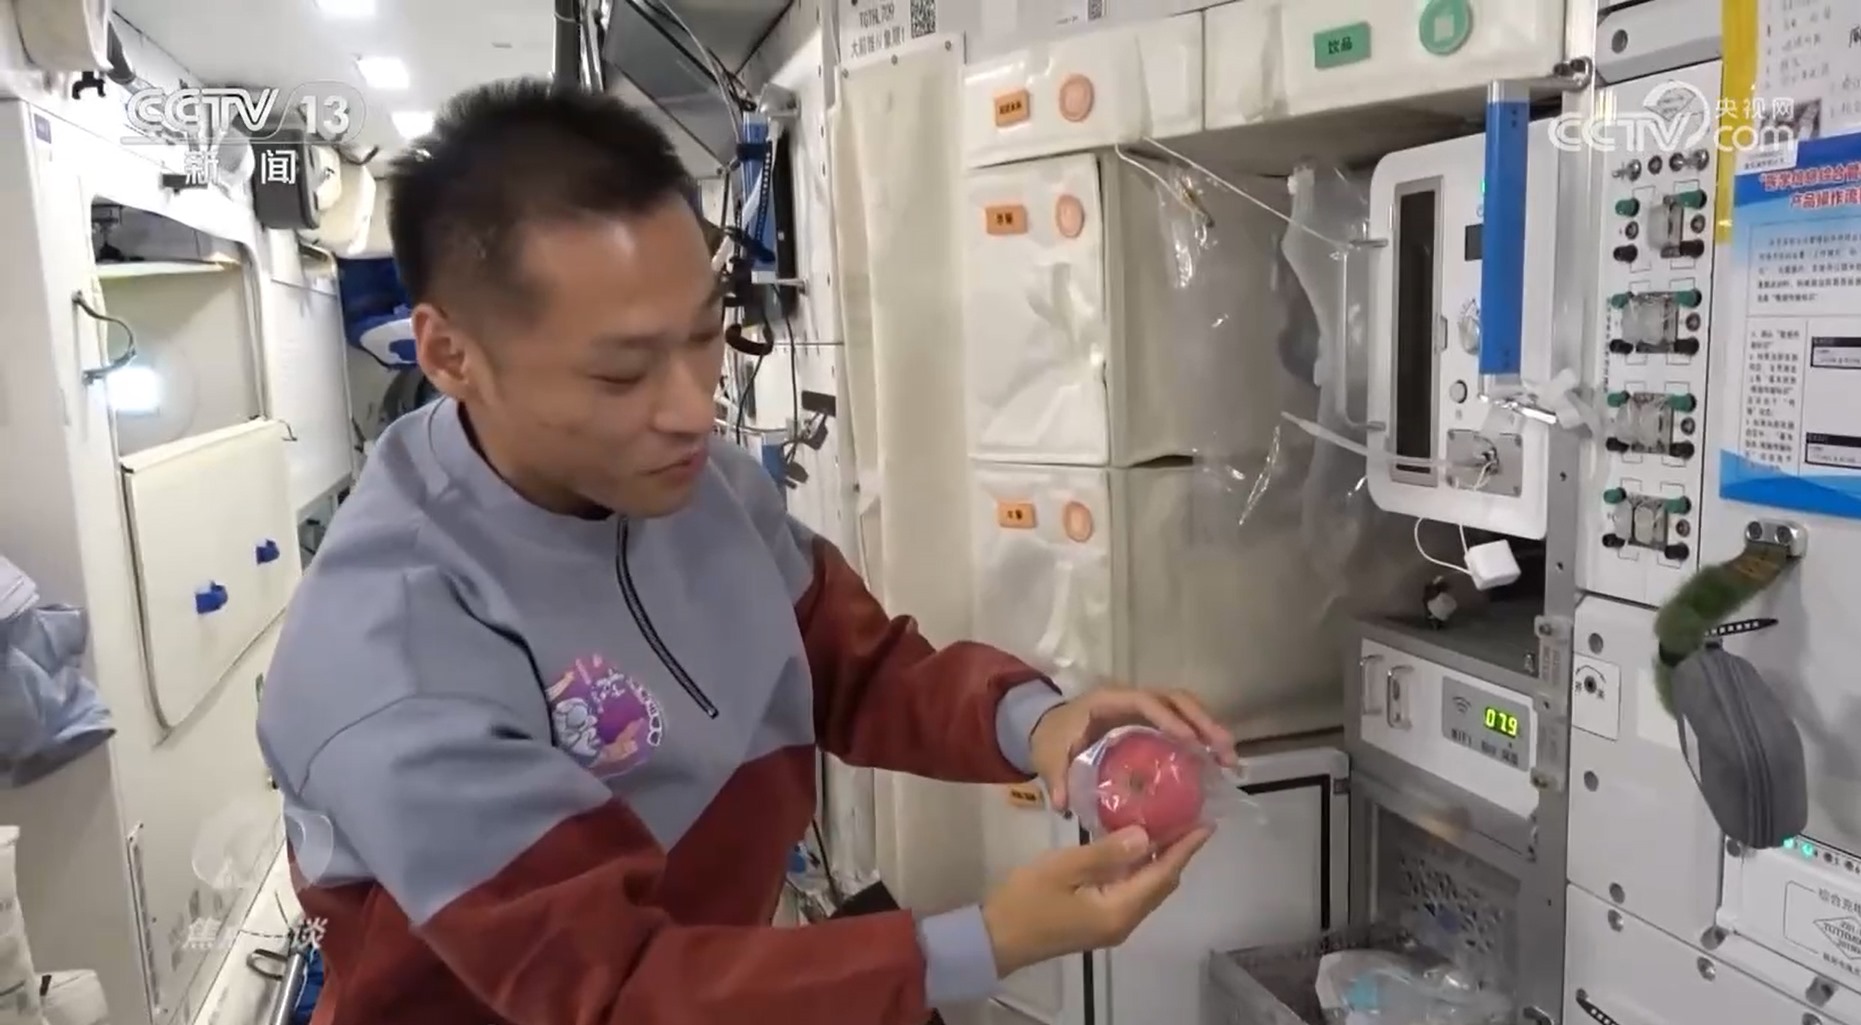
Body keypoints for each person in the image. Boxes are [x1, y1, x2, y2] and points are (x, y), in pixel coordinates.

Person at [255, 78, 1233, 1025]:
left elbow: (850, 664)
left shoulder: (697, 486)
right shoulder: (396, 656)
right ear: (450, 355)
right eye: (622, 372)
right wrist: (983, 940)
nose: (693, 410)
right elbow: (614, 985)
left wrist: (1037, 724)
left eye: (703, 336)